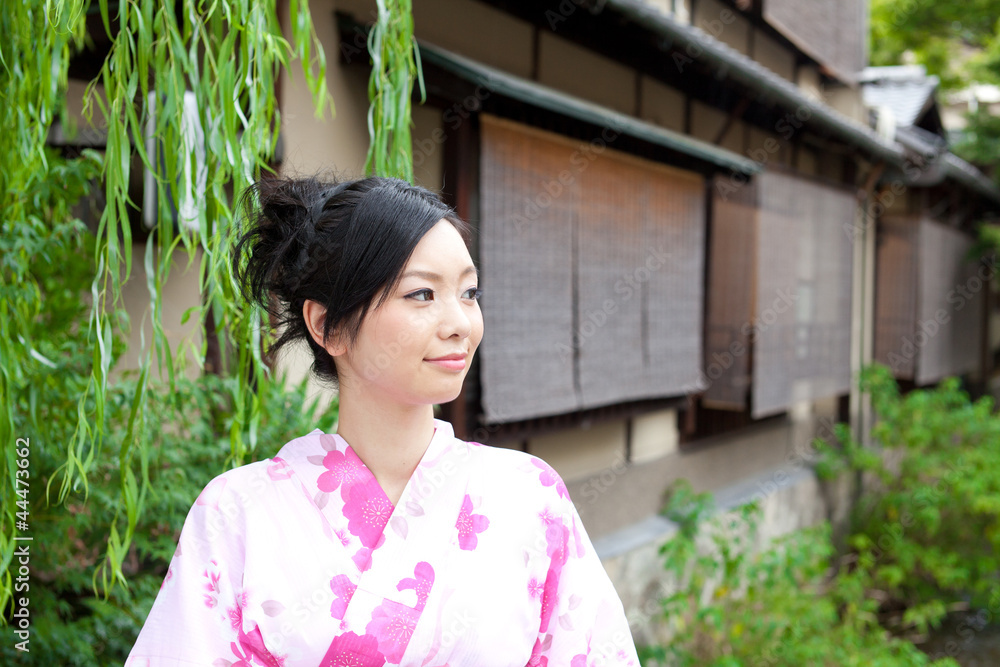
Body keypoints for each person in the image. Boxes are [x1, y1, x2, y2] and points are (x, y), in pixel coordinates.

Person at [126, 176, 640, 666]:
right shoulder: (237, 514)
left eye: (469, 293)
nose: (460, 323)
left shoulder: (530, 496)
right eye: (422, 294)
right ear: (327, 325)